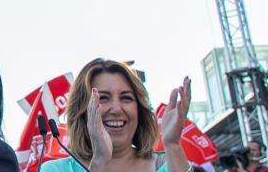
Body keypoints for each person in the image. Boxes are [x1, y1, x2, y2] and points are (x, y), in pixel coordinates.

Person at [39, 58, 192, 172]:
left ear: (139, 109)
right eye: (103, 98)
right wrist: (99, 162)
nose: (117, 109)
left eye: (126, 98)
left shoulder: (168, 164)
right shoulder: (54, 170)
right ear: (82, 111)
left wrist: (173, 145)